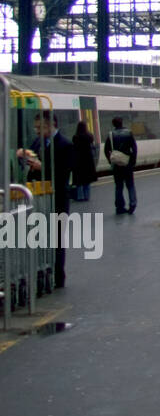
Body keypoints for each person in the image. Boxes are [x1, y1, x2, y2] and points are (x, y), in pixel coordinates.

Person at [27, 111, 73, 288]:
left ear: (51, 125)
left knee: (56, 239)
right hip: (40, 199)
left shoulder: (65, 145)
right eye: (36, 127)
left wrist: (41, 166)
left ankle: (58, 275)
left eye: (40, 127)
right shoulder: (37, 143)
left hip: (58, 199)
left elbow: (63, 173)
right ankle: (43, 273)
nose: (37, 131)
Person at [104, 116, 138, 215]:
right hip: (127, 164)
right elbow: (134, 148)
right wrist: (132, 161)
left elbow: (106, 150)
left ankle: (119, 207)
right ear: (122, 123)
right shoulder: (129, 133)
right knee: (130, 185)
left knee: (118, 186)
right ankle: (132, 204)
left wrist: (111, 161)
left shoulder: (110, 134)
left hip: (117, 165)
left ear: (113, 124)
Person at [71, 120, 96, 202]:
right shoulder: (89, 136)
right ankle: (87, 196)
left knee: (79, 181)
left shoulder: (75, 137)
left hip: (78, 161)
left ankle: (80, 196)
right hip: (88, 161)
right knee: (87, 180)